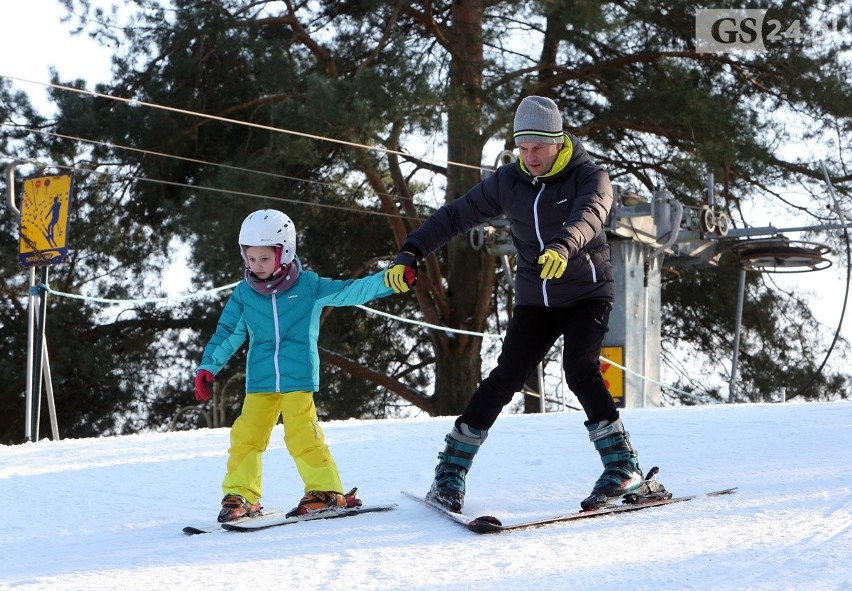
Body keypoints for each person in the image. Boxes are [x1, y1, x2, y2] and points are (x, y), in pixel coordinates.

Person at [384, 95, 645, 512]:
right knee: (505, 377)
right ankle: (450, 472)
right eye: (523, 148)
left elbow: (591, 215)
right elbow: (456, 215)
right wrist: (412, 250)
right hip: (536, 300)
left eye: (538, 147)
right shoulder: (510, 180)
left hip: (586, 294)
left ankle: (622, 466)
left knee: (580, 369)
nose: (530, 157)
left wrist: (563, 246)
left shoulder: (590, 177)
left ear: (558, 142)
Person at [195, 209, 410, 522]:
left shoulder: (307, 286)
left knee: (301, 435)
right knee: (245, 438)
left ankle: (325, 491)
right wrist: (208, 366)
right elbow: (228, 333)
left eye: (264, 259)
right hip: (261, 381)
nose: (256, 267)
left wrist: (389, 281)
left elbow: (351, 290)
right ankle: (240, 495)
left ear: (284, 253)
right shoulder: (244, 294)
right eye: (250, 259)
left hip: (297, 378)